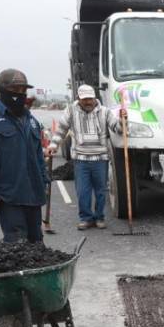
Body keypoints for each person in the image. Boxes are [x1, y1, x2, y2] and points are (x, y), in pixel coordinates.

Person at [0, 69, 49, 243]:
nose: (19, 94)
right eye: (15, 89)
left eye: (23, 90)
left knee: (36, 242)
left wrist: (44, 181)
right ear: (3, 89)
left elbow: (38, 155)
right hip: (9, 196)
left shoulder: (31, 121)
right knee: (17, 244)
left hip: (33, 194)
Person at [49, 85, 118, 231]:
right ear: (79, 99)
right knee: (82, 191)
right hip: (80, 159)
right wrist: (53, 145)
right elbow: (61, 129)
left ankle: (99, 217)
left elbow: (116, 128)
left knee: (100, 191)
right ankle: (86, 218)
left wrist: (123, 121)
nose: (88, 102)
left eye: (90, 98)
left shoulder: (105, 112)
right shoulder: (71, 111)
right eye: (84, 99)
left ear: (94, 98)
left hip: (100, 159)